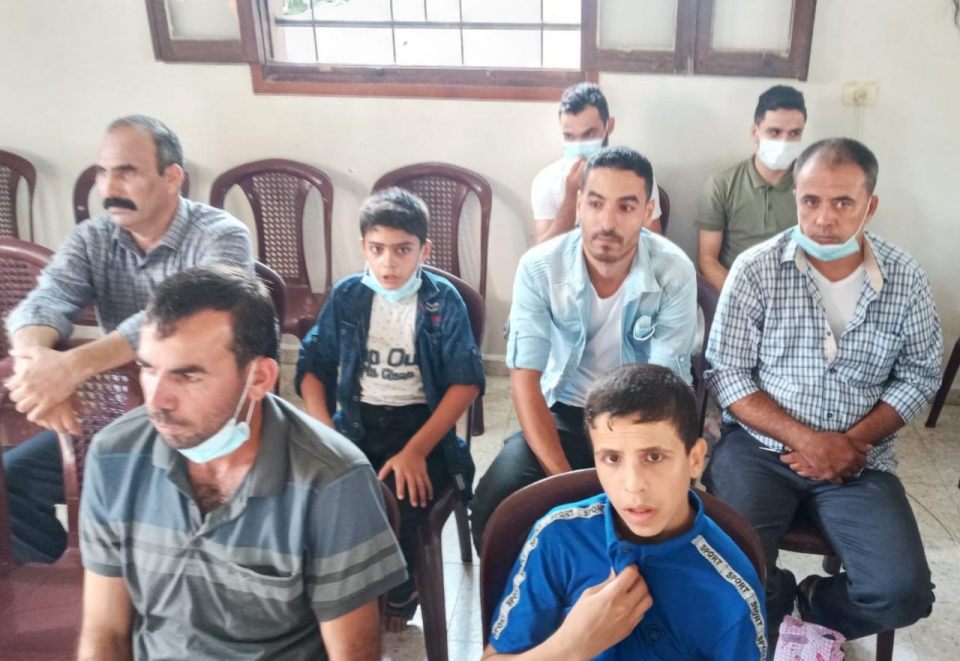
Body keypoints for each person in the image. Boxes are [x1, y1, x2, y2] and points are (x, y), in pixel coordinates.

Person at [78, 265, 406, 660]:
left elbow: (353, 654)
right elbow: (105, 630)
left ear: (259, 378)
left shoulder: (330, 481)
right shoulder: (115, 455)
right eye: (148, 369)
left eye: (188, 376)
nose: (158, 401)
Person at [703, 138, 941, 644]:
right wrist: (809, 441)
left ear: (870, 206)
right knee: (730, 568)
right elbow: (727, 372)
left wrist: (851, 443)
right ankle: (769, 609)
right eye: (811, 200)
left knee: (903, 594)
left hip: (861, 458)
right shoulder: (756, 268)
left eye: (843, 203)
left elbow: (920, 374)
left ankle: (813, 603)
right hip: (759, 449)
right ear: (796, 197)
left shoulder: (906, 278)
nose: (824, 218)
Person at [2, 115, 253, 565]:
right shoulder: (94, 237)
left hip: (206, 413)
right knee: (10, 480)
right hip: (120, 410)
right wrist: (37, 364)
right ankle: (86, 580)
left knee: (175, 506)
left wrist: (73, 367)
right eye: (102, 172)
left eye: (127, 171)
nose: (109, 186)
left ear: (172, 177)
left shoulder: (222, 235)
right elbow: (44, 302)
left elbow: (177, 318)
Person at [471, 146, 697, 548]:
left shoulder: (673, 271)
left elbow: (665, 387)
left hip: (638, 419)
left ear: (647, 212)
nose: (607, 222)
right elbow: (525, 379)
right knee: (494, 505)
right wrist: (564, 482)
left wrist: (633, 468)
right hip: (562, 409)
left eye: (626, 207)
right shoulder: (540, 268)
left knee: (664, 521)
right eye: (595, 203)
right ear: (578, 204)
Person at [483, 364, 767, 660]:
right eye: (612, 458)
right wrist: (570, 646)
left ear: (694, 460)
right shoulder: (557, 538)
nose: (633, 485)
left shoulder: (732, 590)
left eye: (654, 457)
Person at [295, 188, 485, 631]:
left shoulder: (441, 302)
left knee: (402, 502)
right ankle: (335, 590)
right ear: (363, 247)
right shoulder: (348, 296)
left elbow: (466, 383)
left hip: (420, 428)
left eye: (402, 250)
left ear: (424, 250)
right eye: (377, 249)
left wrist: (416, 450)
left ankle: (400, 592)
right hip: (354, 425)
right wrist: (328, 438)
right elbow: (312, 368)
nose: (388, 263)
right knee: (315, 498)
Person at [696, 85, 807, 293]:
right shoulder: (722, 184)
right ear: (755, 132)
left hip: (795, 293)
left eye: (794, 133)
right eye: (774, 132)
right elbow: (707, 260)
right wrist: (743, 297)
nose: (784, 142)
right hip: (737, 291)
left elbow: (823, 254)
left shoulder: (813, 189)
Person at [531, 82, 663, 244]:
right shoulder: (547, 180)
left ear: (609, 126)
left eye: (589, 134)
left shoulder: (635, 175)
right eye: (569, 136)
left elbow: (654, 246)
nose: (579, 146)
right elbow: (542, 254)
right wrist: (570, 199)